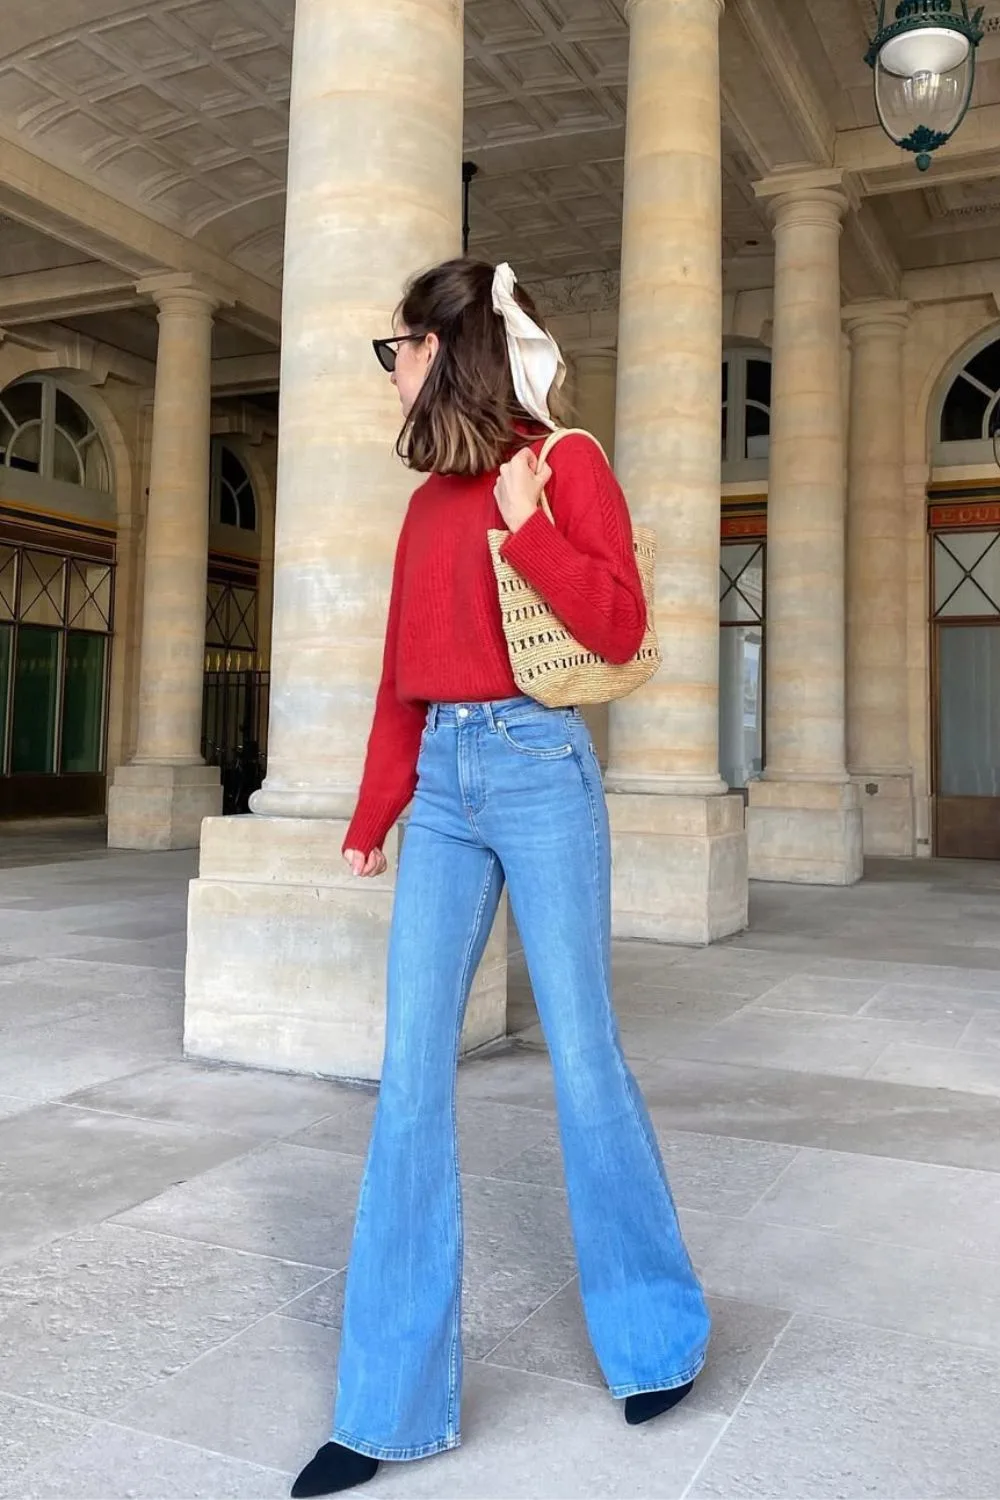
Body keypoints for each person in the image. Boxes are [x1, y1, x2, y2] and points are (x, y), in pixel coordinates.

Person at [291, 258, 710, 1499]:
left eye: (400, 347)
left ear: (451, 347)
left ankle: (654, 1336)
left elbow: (621, 628)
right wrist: (377, 811)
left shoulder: (561, 463)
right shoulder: (424, 507)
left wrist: (527, 524)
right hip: (443, 784)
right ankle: (386, 1410)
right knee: (409, 1075)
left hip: (537, 764)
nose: (393, 370)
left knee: (583, 1052)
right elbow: (398, 676)